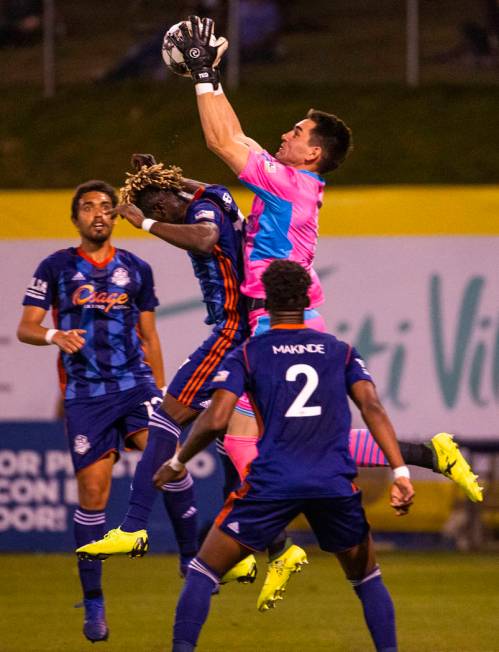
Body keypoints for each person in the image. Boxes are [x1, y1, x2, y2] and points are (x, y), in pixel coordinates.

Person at [166, 15, 483, 605]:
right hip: (276, 317)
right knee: (265, 437)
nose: (284, 135)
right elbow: (236, 138)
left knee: (259, 434)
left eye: (295, 131)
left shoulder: (290, 185)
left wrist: (205, 74)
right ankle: (297, 534)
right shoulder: (290, 181)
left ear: (312, 151)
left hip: (273, 322)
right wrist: (207, 81)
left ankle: (279, 541)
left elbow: (222, 143)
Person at [154, 260, 415, 652]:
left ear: (265, 301)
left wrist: (177, 462)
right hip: (332, 482)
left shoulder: (249, 353)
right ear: (308, 299)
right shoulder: (340, 352)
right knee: (367, 579)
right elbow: (373, 406)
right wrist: (400, 470)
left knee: (202, 572)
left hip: (273, 482)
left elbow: (215, 419)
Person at [75, 155, 258, 583]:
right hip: (250, 333)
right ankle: (245, 548)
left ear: (159, 206)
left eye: (155, 209)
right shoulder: (213, 192)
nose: (158, 216)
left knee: (166, 417)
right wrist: (156, 171)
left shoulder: (200, 215)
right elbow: (187, 192)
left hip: (233, 331)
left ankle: (134, 527)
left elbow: (204, 237)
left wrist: (144, 225)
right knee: (230, 438)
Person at [16, 180, 170, 643]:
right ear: (75, 218)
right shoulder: (56, 267)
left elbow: (150, 337)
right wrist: (52, 336)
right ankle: (95, 600)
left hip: (134, 385)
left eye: (106, 207)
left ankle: (189, 555)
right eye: (88, 207)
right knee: (93, 493)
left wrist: (160, 393)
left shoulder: (137, 268)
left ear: (116, 215)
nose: (99, 214)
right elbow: (26, 327)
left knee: (164, 451)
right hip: (86, 394)